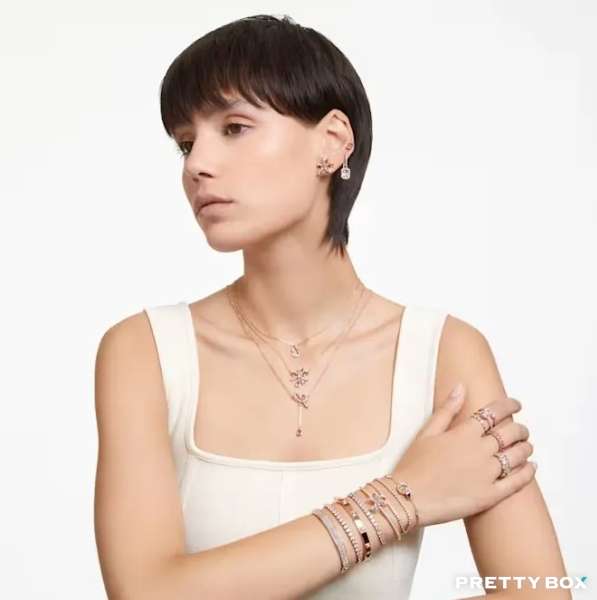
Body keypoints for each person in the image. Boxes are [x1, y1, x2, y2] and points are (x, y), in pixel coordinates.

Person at [93, 14, 571, 600]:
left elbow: (541, 592)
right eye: (186, 143)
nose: (196, 165)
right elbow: (145, 593)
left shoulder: (444, 352)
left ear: (332, 142)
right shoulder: (143, 352)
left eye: (234, 127)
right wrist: (402, 498)